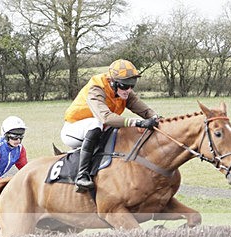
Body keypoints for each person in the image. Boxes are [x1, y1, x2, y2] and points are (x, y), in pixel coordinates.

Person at [61, 59, 159, 192]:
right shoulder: (96, 88)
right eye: (125, 85)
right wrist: (138, 122)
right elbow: (106, 118)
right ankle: (82, 175)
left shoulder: (123, 90)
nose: (128, 89)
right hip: (73, 129)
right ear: (112, 82)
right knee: (97, 123)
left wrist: (156, 118)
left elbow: (143, 109)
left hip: (99, 127)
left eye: (132, 85)